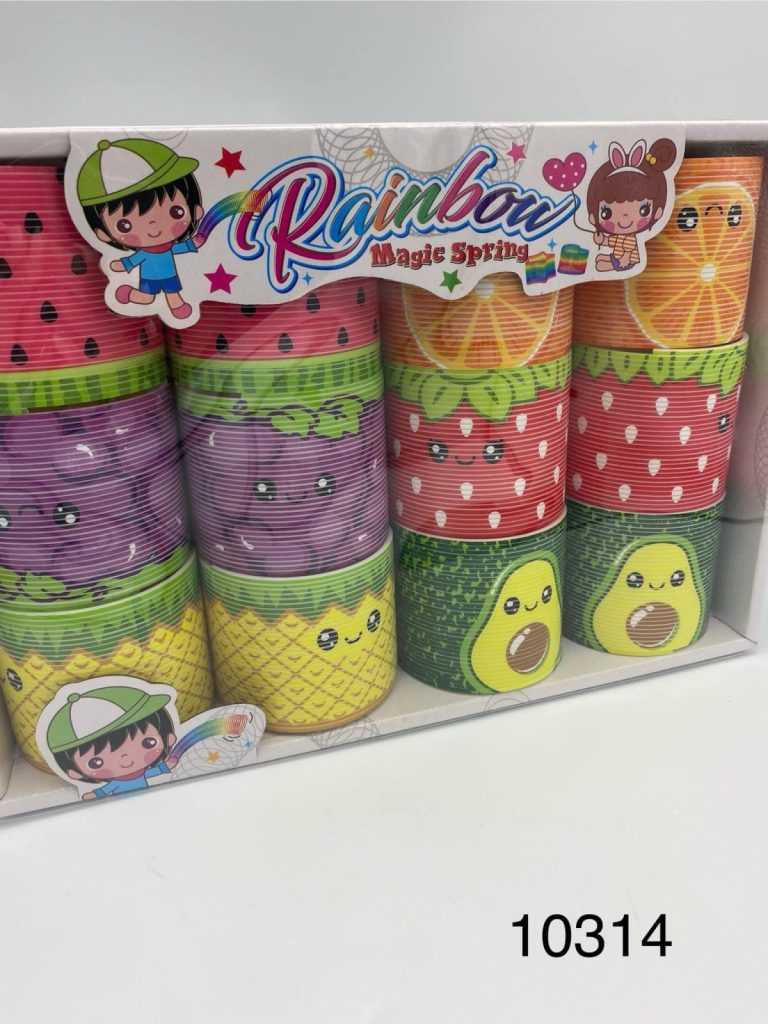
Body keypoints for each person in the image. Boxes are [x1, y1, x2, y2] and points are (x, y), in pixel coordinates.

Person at [77, 138, 206, 319]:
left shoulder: (168, 247)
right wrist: (120, 265)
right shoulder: (144, 253)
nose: (154, 227)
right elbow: (133, 260)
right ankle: (129, 293)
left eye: (175, 211)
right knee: (146, 298)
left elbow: (180, 247)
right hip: (149, 278)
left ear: (195, 209)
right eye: (125, 225)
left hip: (170, 275)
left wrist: (194, 242)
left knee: (173, 292)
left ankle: (178, 307)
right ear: (103, 234)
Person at [45, 681, 179, 799]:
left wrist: (166, 766)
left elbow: (153, 772)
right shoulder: (116, 783)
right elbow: (104, 790)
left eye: (148, 743)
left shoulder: (140, 773)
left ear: (169, 738)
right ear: (74, 773)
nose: (126, 760)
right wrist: (95, 794)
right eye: (96, 762)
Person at [585, 138, 677, 272]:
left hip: (627, 262)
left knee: (600, 265)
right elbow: (610, 242)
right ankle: (611, 261)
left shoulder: (630, 239)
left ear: (657, 211)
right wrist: (601, 240)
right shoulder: (621, 237)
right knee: (599, 259)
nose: (624, 219)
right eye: (607, 213)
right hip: (618, 257)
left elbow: (627, 253)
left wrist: (624, 261)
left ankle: (612, 263)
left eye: (644, 210)